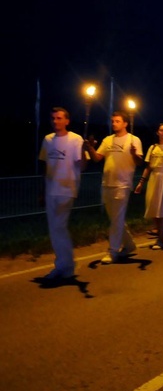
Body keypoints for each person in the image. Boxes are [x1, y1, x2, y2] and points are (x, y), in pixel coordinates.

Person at [87, 111, 143, 264]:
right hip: (107, 183)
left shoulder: (134, 140)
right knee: (115, 219)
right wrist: (90, 148)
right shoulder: (108, 140)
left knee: (116, 219)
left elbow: (139, 162)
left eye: (117, 121)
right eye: (112, 121)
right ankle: (130, 245)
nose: (114, 123)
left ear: (125, 123)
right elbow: (97, 158)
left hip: (122, 184)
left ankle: (113, 251)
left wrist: (134, 154)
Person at [38, 107, 86, 279]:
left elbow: (82, 165)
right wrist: (42, 191)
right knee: (56, 228)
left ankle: (64, 266)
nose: (55, 121)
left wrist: (85, 151)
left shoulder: (75, 139)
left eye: (59, 118)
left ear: (67, 120)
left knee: (59, 226)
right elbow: (45, 166)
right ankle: (66, 264)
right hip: (51, 189)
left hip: (67, 189)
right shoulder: (48, 140)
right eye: (53, 118)